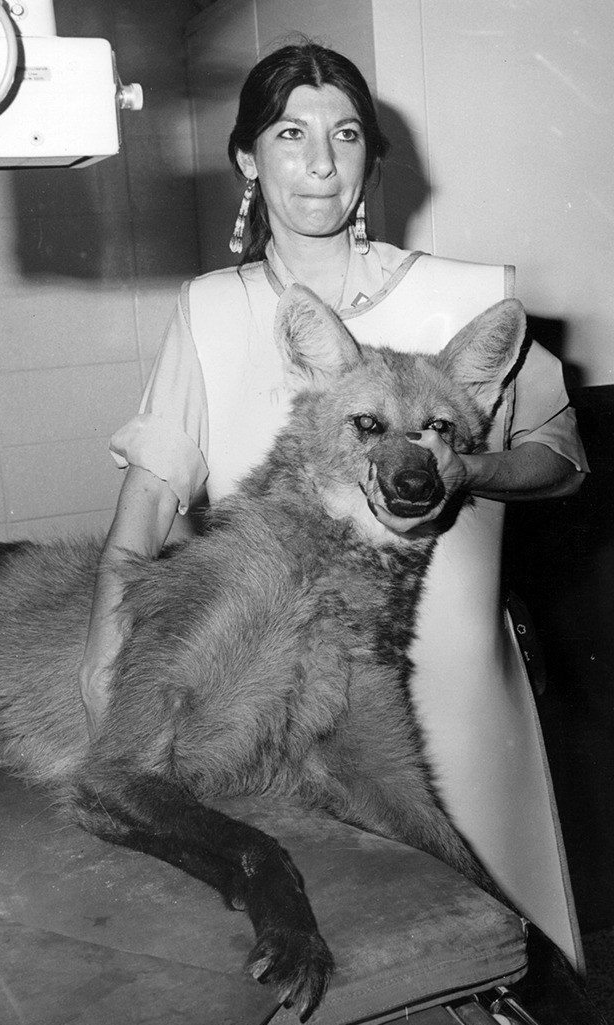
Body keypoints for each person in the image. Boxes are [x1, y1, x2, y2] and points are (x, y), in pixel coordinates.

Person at [79, 42, 588, 962]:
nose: (320, 161)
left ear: (372, 158)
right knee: (360, 937)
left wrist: (466, 471)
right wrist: (102, 641)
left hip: (457, 673)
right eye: (290, 133)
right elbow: (149, 500)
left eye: (346, 134)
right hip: (280, 669)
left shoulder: (468, 296)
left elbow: (562, 459)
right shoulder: (208, 307)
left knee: (492, 937)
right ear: (248, 158)